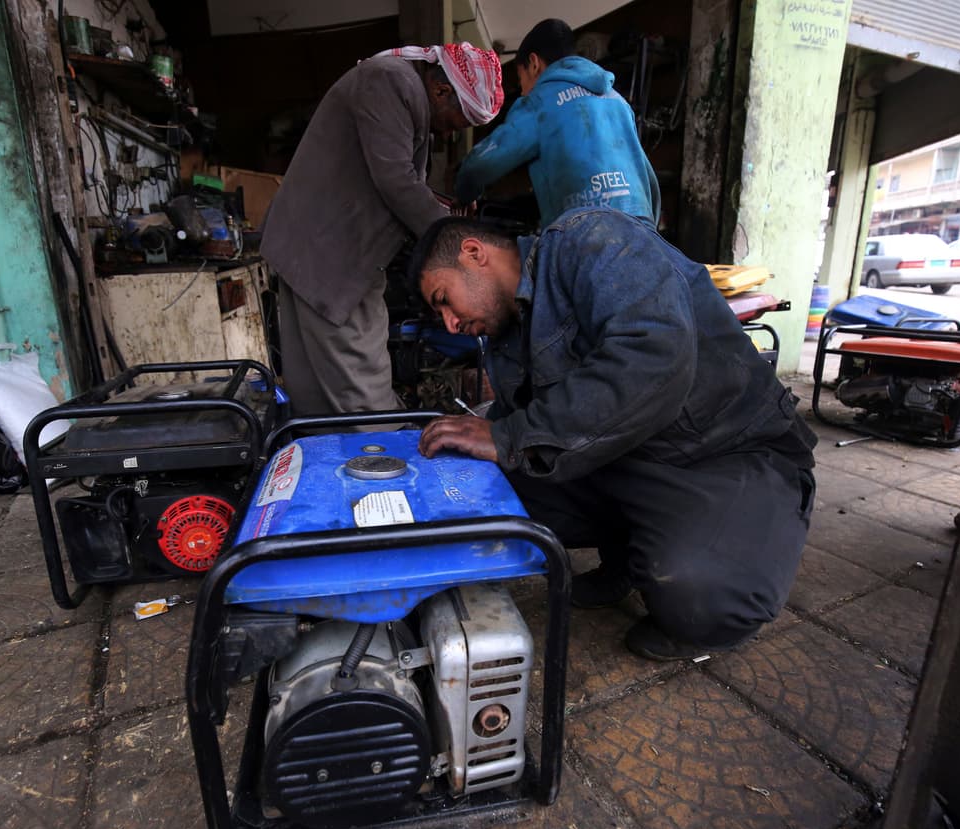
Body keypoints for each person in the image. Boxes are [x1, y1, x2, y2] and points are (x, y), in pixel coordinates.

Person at [409, 210, 817, 661]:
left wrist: (509, 437)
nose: (450, 324)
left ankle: (709, 580)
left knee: (701, 596)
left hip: (720, 453)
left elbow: (653, 359)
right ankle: (629, 552)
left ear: (473, 253)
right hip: (621, 460)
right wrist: (485, 442)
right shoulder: (505, 334)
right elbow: (526, 426)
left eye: (444, 300)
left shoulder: (592, 240)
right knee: (481, 486)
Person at [260, 43, 503, 417]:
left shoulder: (396, 84)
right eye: (456, 124)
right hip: (331, 255)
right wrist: (459, 241)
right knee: (361, 385)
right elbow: (396, 180)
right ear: (441, 91)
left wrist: (442, 207)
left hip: (312, 247)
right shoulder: (390, 82)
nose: (449, 134)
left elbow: (390, 174)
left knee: (314, 389)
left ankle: (325, 448)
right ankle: (380, 450)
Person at [453, 19, 660, 230]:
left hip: (584, 231)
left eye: (521, 79)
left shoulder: (539, 102)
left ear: (534, 63)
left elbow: (480, 166)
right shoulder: (618, 101)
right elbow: (649, 181)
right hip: (643, 232)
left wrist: (464, 194)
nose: (523, 91)